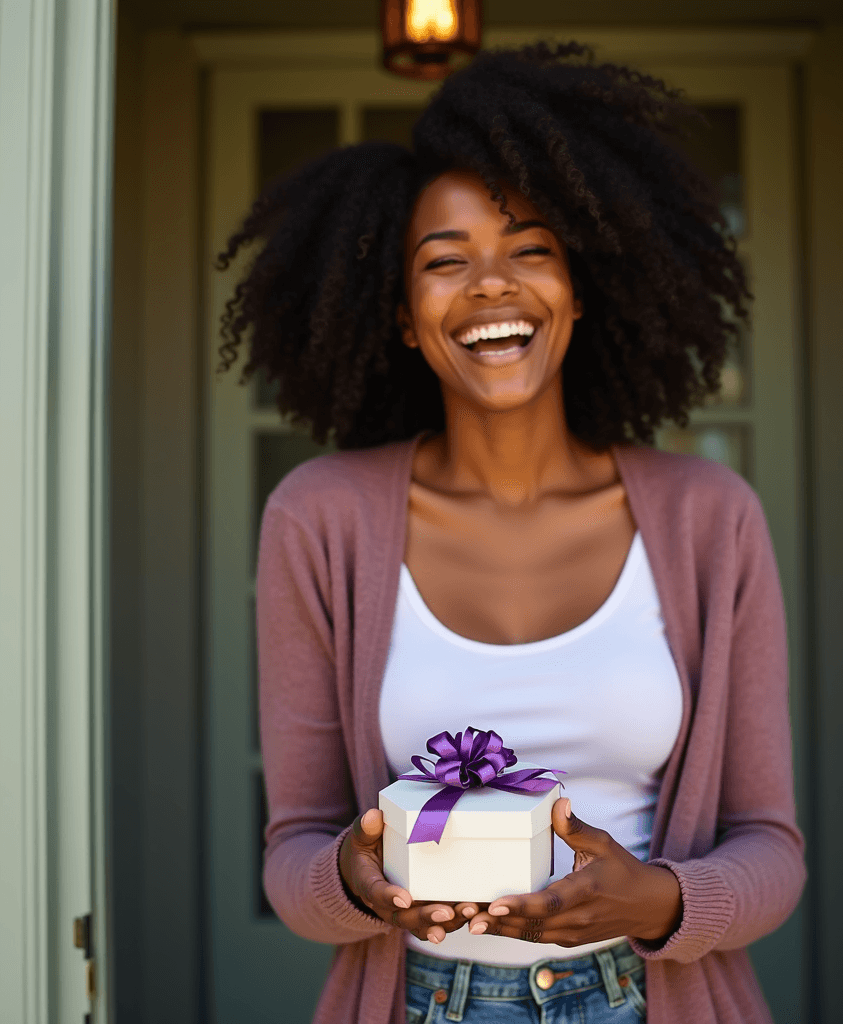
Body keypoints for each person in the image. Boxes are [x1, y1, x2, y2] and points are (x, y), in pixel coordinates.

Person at [216, 42, 806, 1024]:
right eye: (444, 263)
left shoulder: (709, 518)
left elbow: (769, 846)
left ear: (579, 288)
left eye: (529, 249)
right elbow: (294, 854)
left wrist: (657, 897)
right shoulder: (318, 520)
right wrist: (356, 879)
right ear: (405, 316)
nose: (490, 285)